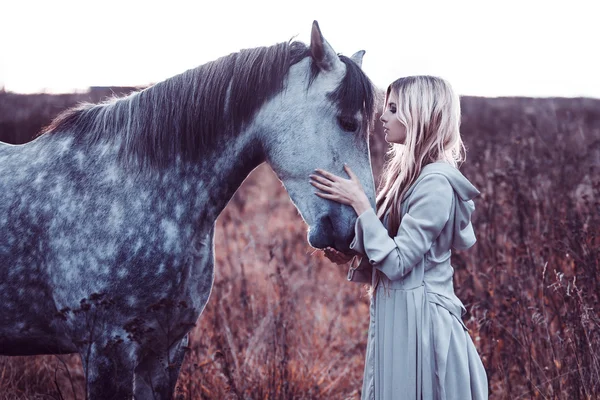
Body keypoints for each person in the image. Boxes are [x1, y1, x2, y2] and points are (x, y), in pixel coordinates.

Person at [309, 75, 488, 399]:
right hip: (401, 318)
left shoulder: (435, 183)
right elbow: (392, 247)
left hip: (423, 327)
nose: (383, 116)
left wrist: (360, 202)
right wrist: (355, 254)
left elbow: (399, 262)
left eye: (393, 108)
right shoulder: (407, 175)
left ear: (419, 114)